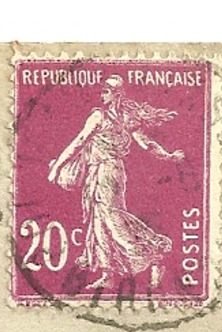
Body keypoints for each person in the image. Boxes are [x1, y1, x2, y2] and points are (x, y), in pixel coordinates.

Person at [46, 75, 185, 292]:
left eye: (106, 91)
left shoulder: (99, 117)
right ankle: (107, 274)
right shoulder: (125, 117)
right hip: (111, 172)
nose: (102, 94)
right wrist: (167, 156)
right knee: (100, 219)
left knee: (111, 219)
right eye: (102, 90)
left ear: (116, 94)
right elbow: (146, 143)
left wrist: (57, 167)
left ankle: (154, 257)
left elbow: (79, 142)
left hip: (104, 172)